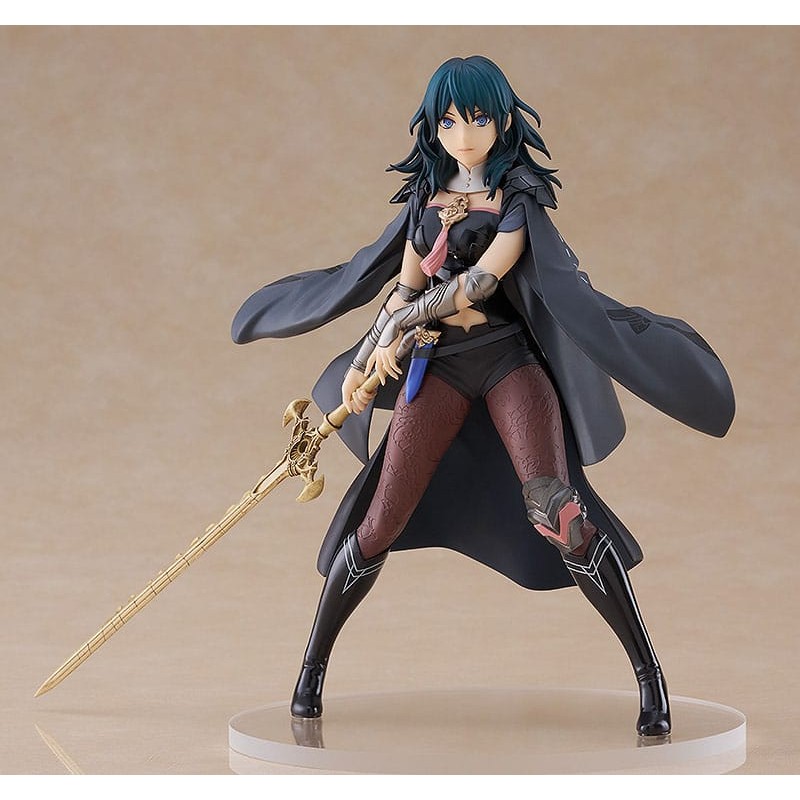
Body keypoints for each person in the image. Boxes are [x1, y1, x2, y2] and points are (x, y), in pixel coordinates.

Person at [232, 55, 734, 738]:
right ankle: (311, 671)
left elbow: (480, 283)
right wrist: (365, 354)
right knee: (378, 523)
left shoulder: (517, 197)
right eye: (448, 121)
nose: (462, 135)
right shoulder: (426, 198)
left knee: (558, 510)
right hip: (439, 369)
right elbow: (405, 285)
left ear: (500, 121)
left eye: (475, 119)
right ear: (432, 127)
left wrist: (401, 329)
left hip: (507, 363)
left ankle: (648, 675)